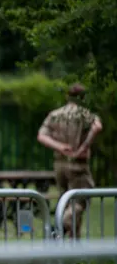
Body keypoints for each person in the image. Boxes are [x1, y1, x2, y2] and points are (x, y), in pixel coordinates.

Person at [37, 83, 103, 238]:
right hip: (78, 164)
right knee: (80, 201)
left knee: (66, 202)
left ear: (67, 96)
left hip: (59, 164)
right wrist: (84, 147)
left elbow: (41, 136)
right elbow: (97, 127)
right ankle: (60, 227)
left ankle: (74, 246)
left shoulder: (55, 114)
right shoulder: (85, 114)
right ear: (83, 97)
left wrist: (59, 147)